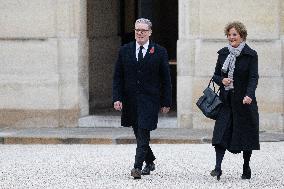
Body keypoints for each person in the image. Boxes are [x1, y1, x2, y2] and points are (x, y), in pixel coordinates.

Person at [112, 18, 172, 179]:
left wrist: (166, 101)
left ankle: (137, 167)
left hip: (150, 100)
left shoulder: (159, 51)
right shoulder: (125, 50)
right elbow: (118, 77)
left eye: (143, 30)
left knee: (143, 131)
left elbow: (166, 78)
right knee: (139, 134)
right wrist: (117, 98)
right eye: (137, 30)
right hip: (130, 100)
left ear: (150, 32)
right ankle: (150, 161)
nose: (140, 33)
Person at [210, 21, 259, 180]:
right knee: (220, 134)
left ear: (242, 36)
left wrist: (249, 95)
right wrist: (222, 80)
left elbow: (253, 77)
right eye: (229, 35)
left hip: (244, 102)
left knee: (246, 136)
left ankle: (246, 166)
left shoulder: (250, 54)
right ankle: (217, 168)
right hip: (226, 101)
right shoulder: (223, 53)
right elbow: (216, 75)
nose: (231, 37)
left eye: (234, 35)